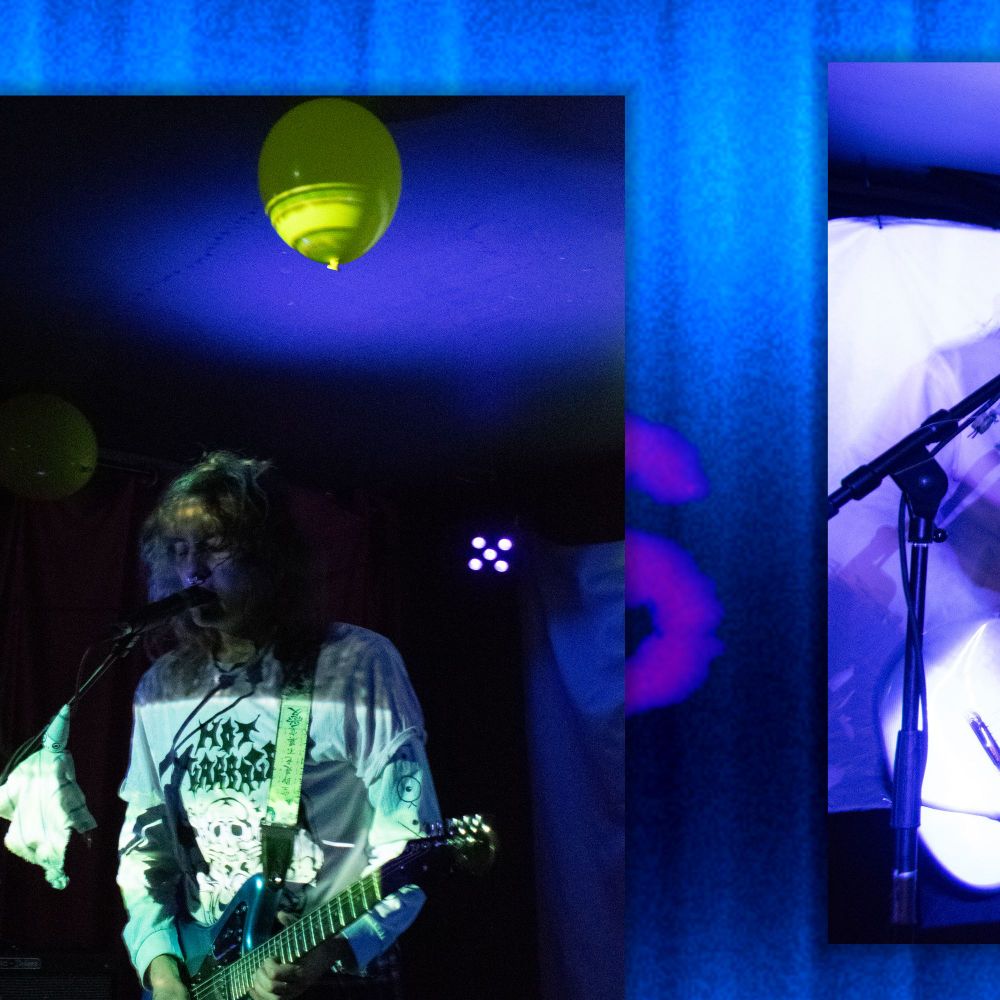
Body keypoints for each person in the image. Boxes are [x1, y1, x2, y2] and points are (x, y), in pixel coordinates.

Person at [116, 451, 441, 1000]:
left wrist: (334, 948)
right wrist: (159, 964)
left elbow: (410, 841)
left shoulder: (354, 664)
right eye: (179, 550)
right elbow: (146, 848)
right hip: (202, 971)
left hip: (333, 973)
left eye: (214, 547)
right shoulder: (162, 688)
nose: (191, 571)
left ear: (270, 557)